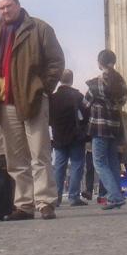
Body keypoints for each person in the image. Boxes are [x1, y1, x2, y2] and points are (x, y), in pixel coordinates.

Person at [0, 0, 65, 221]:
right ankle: (24, 204)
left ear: (18, 5)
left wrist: (43, 87)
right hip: (6, 101)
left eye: (9, 6)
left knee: (39, 153)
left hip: (32, 99)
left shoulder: (39, 28)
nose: (5, 11)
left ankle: (45, 202)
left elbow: (56, 61)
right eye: (1, 8)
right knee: (16, 159)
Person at [85, 51, 127, 211]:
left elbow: (85, 103)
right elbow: (123, 101)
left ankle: (115, 196)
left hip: (99, 126)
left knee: (99, 162)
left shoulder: (96, 83)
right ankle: (117, 195)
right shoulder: (120, 82)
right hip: (114, 126)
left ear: (100, 63)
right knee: (113, 162)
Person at [49, 70, 88, 208]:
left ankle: (56, 197)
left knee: (59, 167)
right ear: (71, 80)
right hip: (76, 136)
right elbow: (87, 113)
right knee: (77, 165)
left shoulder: (52, 98)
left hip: (58, 137)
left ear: (60, 80)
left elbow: (48, 118)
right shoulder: (77, 95)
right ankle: (73, 197)